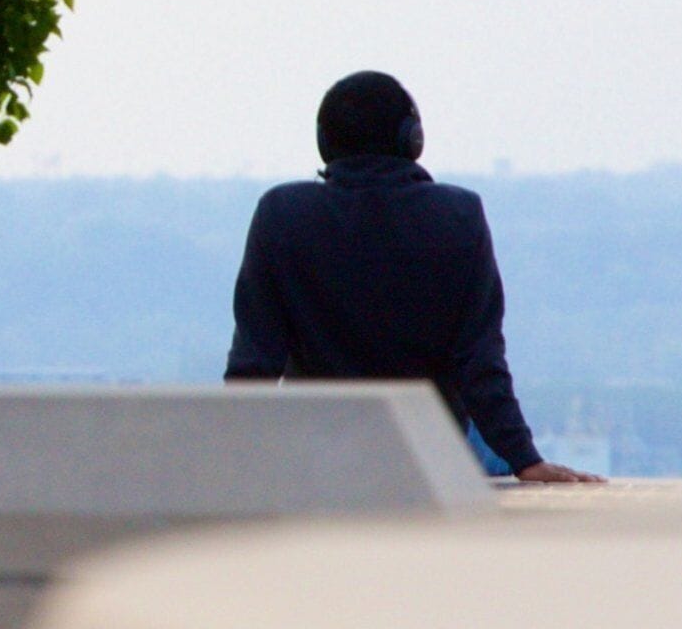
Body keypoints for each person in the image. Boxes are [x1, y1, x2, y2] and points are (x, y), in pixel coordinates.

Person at [226, 71, 604, 483]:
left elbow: (254, 363)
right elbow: (479, 361)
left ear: (325, 142)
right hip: (428, 448)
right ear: (413, 139)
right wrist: (525, 459)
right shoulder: (458, 215)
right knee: (486, 446)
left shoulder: (282, 214)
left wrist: (229, 461)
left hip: (319, 445)